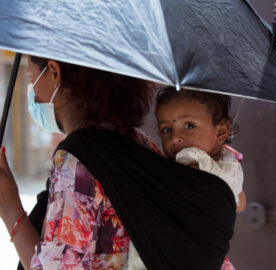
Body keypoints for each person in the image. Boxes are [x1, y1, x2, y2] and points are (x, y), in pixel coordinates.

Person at [0, 56, 237, 270]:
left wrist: (9, 206)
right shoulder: (139, 142)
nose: (33, 92)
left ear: (54, 72)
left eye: (32, 77)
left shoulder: (78, 163)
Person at [127, 87, 246, 270]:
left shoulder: (194, 160)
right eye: (167, 130)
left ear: (221, 132)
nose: (176, 138)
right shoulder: (230, 165)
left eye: (189, 126)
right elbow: (241, 202)